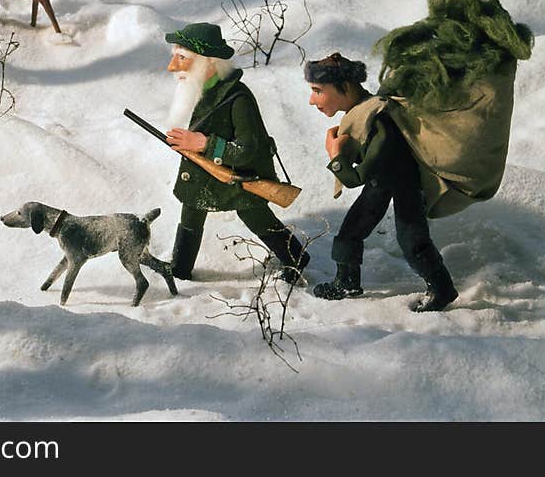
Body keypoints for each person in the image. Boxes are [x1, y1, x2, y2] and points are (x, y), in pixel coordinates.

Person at [305, 52, 458, 312]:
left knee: (412, 241)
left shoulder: (378, 118)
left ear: (345, 87)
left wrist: (335, 155)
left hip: (406, 184)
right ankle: (346, 282)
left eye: (318, 91)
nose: (312, 100)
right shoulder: (361, 114)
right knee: (351, 231)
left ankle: (442, 289)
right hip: (381, 182)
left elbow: (355, 178)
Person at [163, 22, 308, 283]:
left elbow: (248, 150)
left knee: (255, 215)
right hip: (206, 174)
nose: (172, 67)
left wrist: (204, 144)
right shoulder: (202, 90)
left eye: (182, 58)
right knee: (191, 210)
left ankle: (295, 258)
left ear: (209, 64)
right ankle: (179, 270)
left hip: (241, 176)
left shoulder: (238, 99)